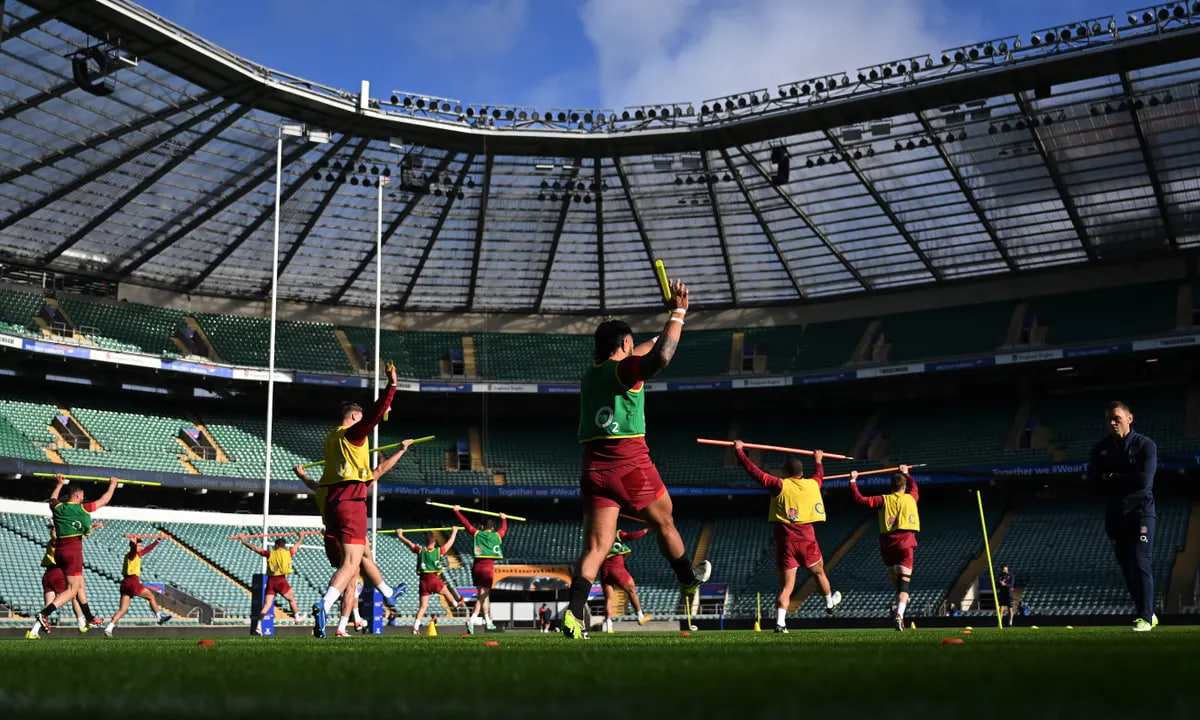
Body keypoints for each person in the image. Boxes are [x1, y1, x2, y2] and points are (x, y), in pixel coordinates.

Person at [565, 277, 711, 640]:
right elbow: (660, 356)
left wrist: (669, 324)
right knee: (666, 521)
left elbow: (648, 348)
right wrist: (679, 312)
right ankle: (687, 579)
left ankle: (572, 613)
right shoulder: (625, 370)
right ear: (624, 345)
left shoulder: (591, 375)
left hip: (593, 469)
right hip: (629, 465)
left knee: (596, 547)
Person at [309, 364, 401, 639]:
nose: (366, 425)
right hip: (352, 501)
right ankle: (324, 605)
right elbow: (372, 416)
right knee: (351, 564)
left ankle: (388, 592)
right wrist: (392, 386)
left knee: (362, 554)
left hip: (334, 504)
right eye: (359, 418)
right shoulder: (352, 435)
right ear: (353, 416)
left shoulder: (331, 439)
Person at [293, 446, 410, 638]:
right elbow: (381, 469)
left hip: (331, 536)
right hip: (346, 529)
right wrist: (401, 450)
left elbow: (310, 483)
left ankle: (383, 594)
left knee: (358, 568)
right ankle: (333, 611)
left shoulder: (323, 489)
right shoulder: (351, 486)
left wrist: (301, 474)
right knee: (354, 573)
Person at [734, 441, 842, 633]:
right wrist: (818, 460)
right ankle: (829, 604)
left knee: (786, 587)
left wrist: (740, 451)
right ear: (801, 473)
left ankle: (780, 623)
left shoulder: (780, 485)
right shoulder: (812, 484)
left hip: (786, 542)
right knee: (819, 573)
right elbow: (819, 475)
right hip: (807, 540)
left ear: (785, 472)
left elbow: (755, 472)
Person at [1087, 400, 1159, 632]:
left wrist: (1113, 477)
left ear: (1130, 418)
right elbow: (1092, 481)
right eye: (1109, 418)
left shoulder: (1145, 445)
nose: (1112, 422)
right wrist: (1116, 478)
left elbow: (1144, 481)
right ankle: (1147, 613)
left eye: (1117, 418)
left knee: (1140, 561)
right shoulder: (1101, 449)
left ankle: (1146, 618)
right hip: (1115, 516)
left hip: (1141, 514)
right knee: (1127, 567)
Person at [28, 474, 117, 637]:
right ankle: (45, 613)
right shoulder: (82, 508)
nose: (83, 498)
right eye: (82, 495)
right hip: (72, 551)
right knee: (71, 589)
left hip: (61, 552)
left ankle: (89, 617)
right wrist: (113, 485)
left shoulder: (58, 507)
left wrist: (59, 484)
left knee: (79, 584)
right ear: (77, 496)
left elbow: (52, 498)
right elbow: (104, 500)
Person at [849, 465, 919, 631]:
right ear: (904, 487)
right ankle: (900, 613)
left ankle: (900, 596)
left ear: (891, 487)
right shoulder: (911, 497)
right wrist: (907, 473)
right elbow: (915, 486)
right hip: (905, 542)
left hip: (887, 544)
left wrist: (853, 480)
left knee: (894, 572)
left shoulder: (883, 499)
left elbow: (860, 499)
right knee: (904, 585)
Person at [453, 505, 507, 634]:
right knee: (482, 596)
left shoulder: (477, 533)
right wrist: (504, 519)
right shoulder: (497, 536)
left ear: (482, 527)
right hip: (488, 569)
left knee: (484, 595)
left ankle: (488, 620)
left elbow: (466, 524)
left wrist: (457, 512)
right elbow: (504, 529)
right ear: (492, 528)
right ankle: (472, 619)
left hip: (476, 568)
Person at [397, 528, 462, 635]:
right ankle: (456, 604)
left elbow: (409, 543)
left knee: (423, 607)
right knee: (446, 591)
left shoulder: (420, 551)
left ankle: (416, 627)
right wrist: (454, 532)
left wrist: (400, 536)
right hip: (433, 579)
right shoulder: (438, 551)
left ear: (425, 543)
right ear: (435, 542)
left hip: (423, 581)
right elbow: (449, 543)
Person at [104, 538, 172, 637]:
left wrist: (158, 540)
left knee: (123, 609)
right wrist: (134, 543)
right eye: (138, 546)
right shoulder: (132, 555)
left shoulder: (136, 555)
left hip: (125, 584)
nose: (140, 548)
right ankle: (159, 617)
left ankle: (109, 628)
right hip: (133, 582)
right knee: (151, 597)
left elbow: (148, 549)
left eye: (140, 546)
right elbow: (133, 550)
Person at [30, 523, 88, 638]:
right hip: (58, 572)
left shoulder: (52, 542)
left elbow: (75, 538)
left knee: (48, 606)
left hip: (48, 574)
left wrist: (88, 530)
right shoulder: (59, 542)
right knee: (74, 595)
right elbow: (71, 539)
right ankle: (81, 623)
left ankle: (33, 631)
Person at [241, 536, 302, 635]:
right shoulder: (288, 553)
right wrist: (301, 537)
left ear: (276, 545)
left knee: (267, 605)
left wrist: (245, 542)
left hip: (270, 581)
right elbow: (296, 546)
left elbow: (256, 549)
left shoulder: (270, 554)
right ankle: (297, 617)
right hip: (281, 580)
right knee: (291, 599)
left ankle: (259, 626)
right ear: (283, 546)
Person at [599, 527, 654, 633]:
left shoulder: (599, 537)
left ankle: (609, 627)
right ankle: (640, 616)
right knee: (632, 591)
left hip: (604, 571)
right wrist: (645, 530)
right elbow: (630, 536)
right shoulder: (616, 533)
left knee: (609, 599)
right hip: (617, 569)